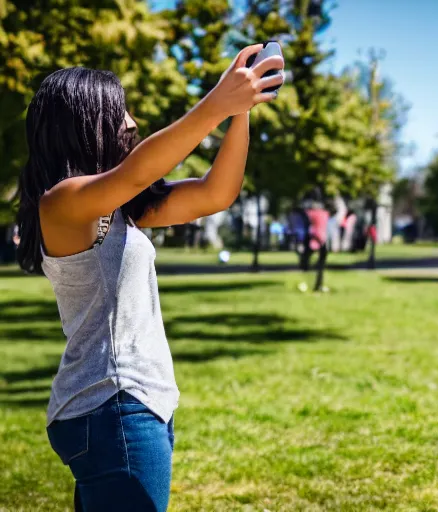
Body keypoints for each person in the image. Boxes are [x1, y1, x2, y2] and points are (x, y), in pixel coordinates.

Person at [15, 44, 284, 512]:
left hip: (123, 407)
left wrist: (240, 112)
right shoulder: (60, 203)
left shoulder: (118, 210)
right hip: (114, 403)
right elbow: (139, 170)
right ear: (84, 124)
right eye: (119, 113)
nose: (132, 123)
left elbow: (215, 194)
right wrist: (218, 102)